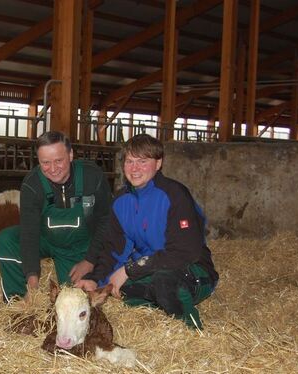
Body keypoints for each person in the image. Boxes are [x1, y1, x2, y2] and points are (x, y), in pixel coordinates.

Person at [73, 133, 218, 329]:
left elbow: (185, 252)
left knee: (164, 283)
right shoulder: (120, 201)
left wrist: (130, 269)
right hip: (149, 269)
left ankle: (192, 331)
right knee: (118, 290)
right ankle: (158, 314)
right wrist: (95, 280)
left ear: (158, 163)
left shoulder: (174, 195)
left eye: (143, 161)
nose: (134, 168)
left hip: (193, 270)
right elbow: (114, 250)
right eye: (130, 161)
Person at [0, 131, 113, 301]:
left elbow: (105, 221)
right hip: (47, 239)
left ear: (70, 155)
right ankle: (18, 302)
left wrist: (89, 260)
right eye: (46, 163)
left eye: (59, 161)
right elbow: (29, 233)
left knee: (75, 298)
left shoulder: (92, 176)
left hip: (80, 246)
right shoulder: (32, 184)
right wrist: (32, 278)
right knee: (7, 239)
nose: (53, 169)